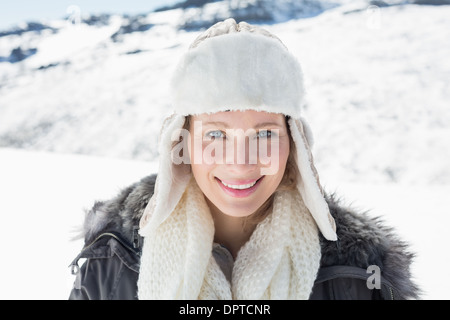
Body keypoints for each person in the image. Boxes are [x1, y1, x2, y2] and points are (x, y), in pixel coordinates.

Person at [69, 18, 420, 300]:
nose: (240, 163)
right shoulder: (112, 256)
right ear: (182, 142)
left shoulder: (362, 272)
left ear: (294, 144)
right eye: (216, 134)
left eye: (265, 134)